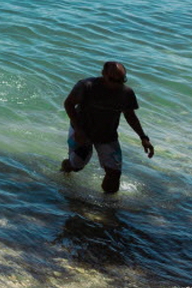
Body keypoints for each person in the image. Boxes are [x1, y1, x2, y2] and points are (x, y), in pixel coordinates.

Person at [60, 61, 155, 195]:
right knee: (77, 166)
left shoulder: (126, 93)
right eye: (112, 79)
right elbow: (68, 104)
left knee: (114, 173)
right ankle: (65, 168)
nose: (116, 84)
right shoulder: (86, 86)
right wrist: (79, 130)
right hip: (83, 132)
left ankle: (107, 204)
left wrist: (143, 137)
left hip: (107, 135)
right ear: (103, 74)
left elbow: (130, 115)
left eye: (121, 80)